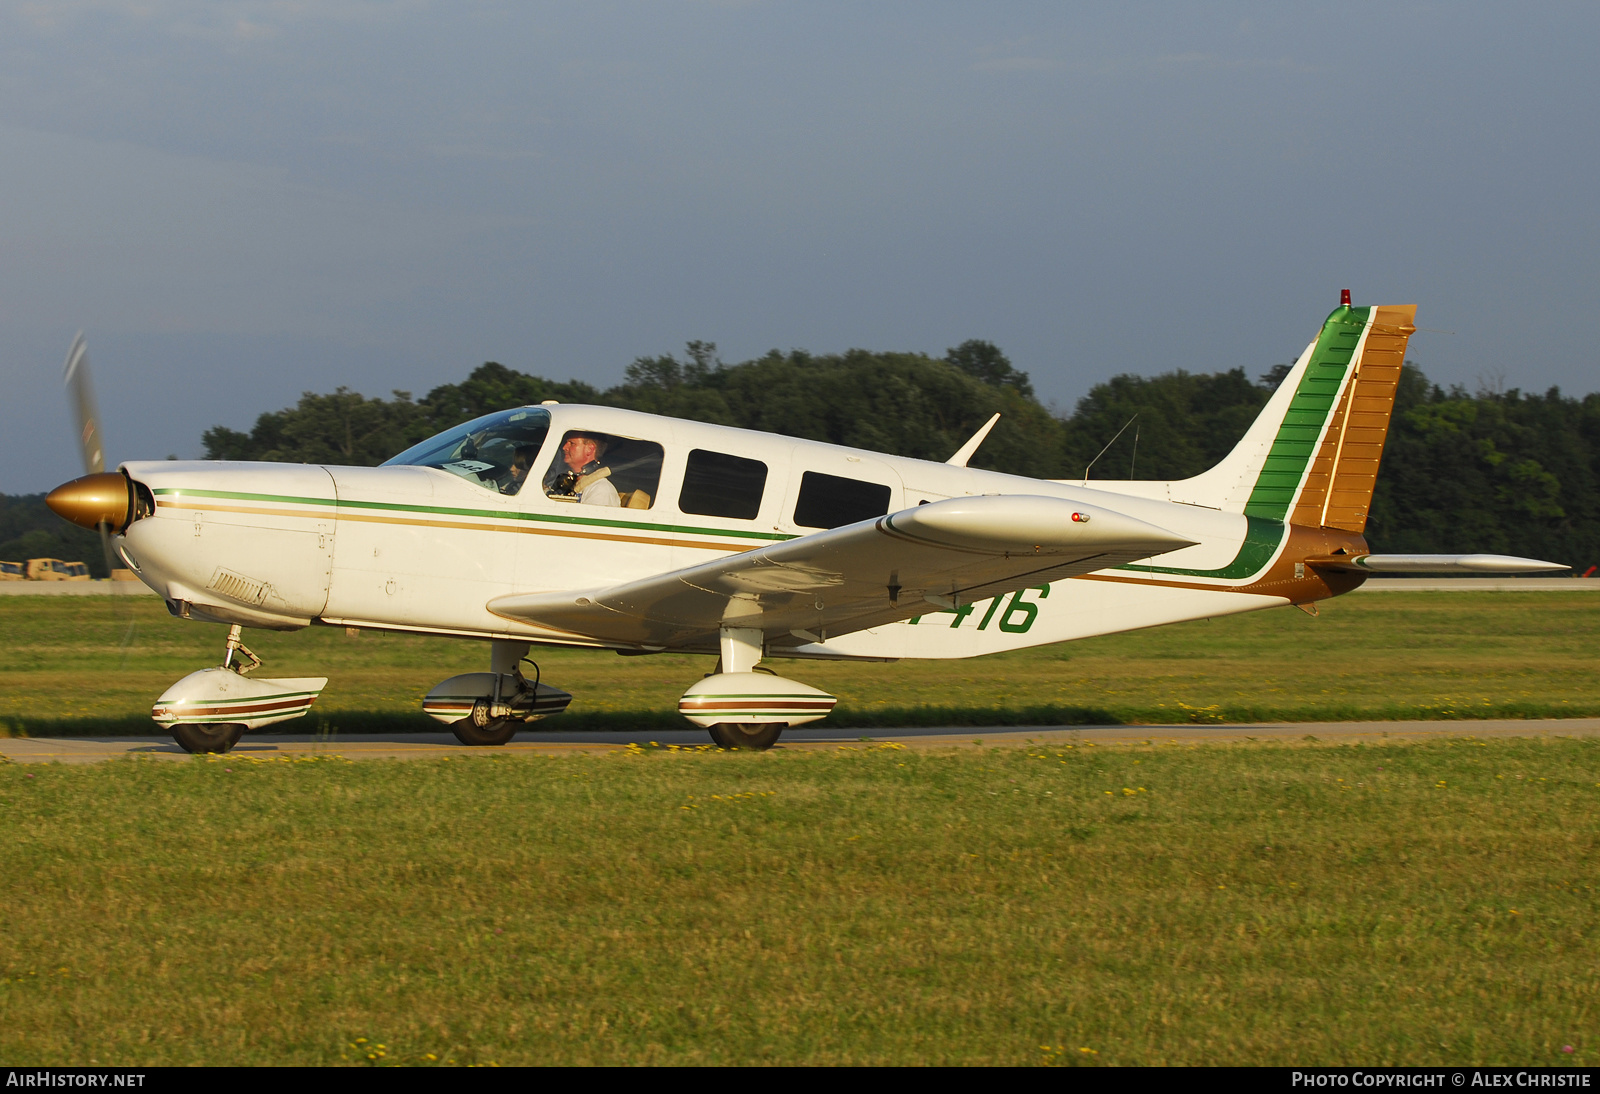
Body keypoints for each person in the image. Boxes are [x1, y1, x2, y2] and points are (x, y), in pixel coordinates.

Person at [552, 432, 620, 506]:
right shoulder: (571, 485)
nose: (564, 447)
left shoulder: (600, 489)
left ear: (589, 449)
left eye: (572, 443)